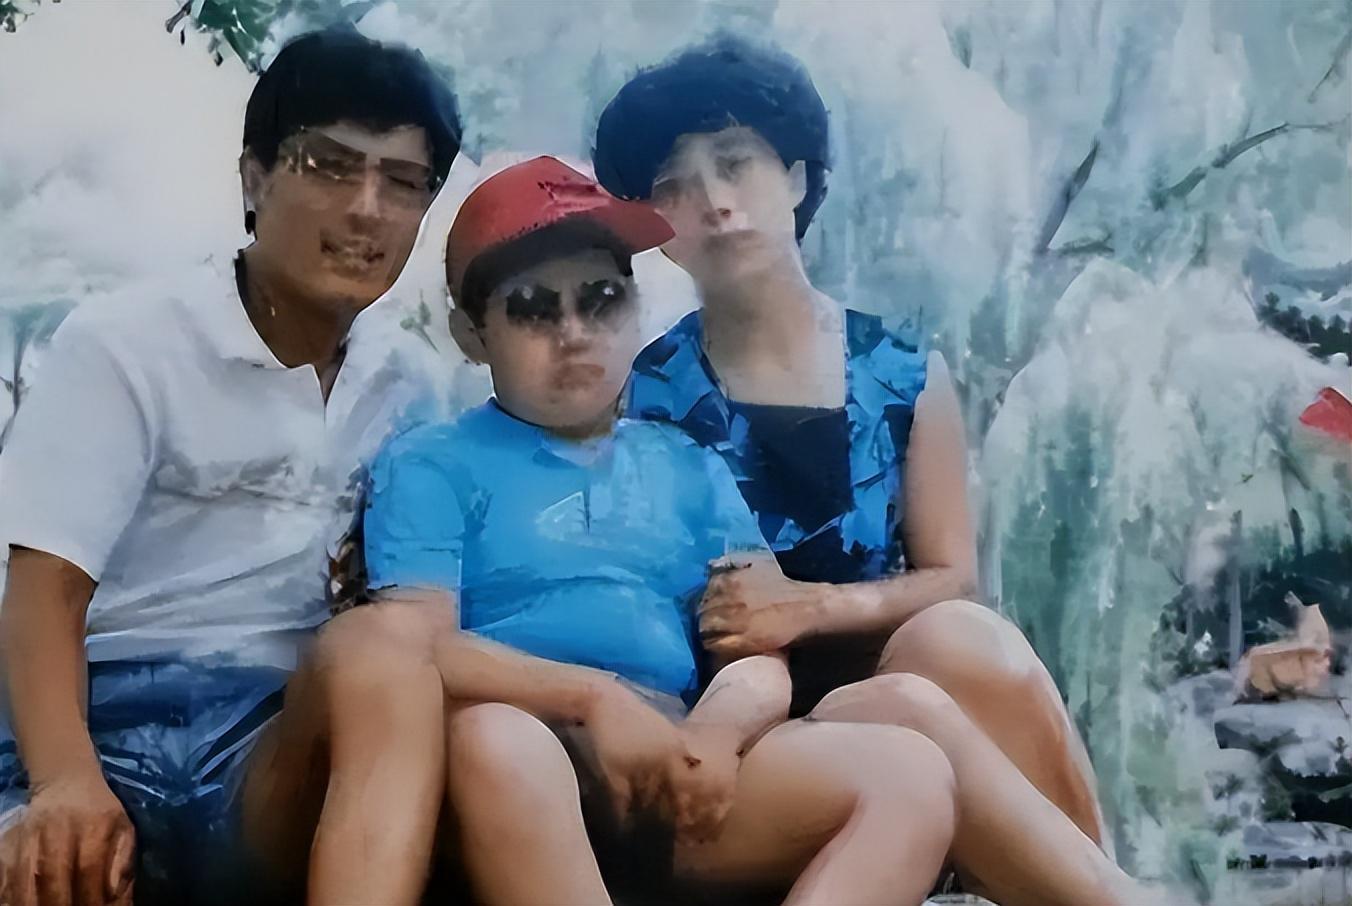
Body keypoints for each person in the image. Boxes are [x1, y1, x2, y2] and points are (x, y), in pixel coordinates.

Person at [366, 156, 1143, 906]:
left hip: (670, 747)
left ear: (634, 308)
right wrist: (592, 699)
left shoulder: (686, 465)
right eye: (533, 307)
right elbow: (416, 645)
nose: (573, 331)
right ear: (472, 333)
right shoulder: (433, 462)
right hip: (523, 743)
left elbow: (753, 647)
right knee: (497, 740)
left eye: (600, 299)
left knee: (909, 773)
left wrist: (715, 733)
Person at [594, 34, 1110, 889]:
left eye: (736, 165)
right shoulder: (641, 396)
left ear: (797, 178)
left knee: (961, 638)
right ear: (655, 227)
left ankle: (1102, 878)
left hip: (893, 684)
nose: (714, 203)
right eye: (674, 186)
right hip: (734, 724)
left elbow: (952, 576)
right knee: (907, 704)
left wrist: (809, 608)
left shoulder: (901, 372)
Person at [0, 27, 468, 905]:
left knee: (383, 654)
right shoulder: (127, 343)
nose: (367, 209)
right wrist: (64, 781)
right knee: (45, 867)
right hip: (99, 716)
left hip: (273, 743)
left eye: (403, 182)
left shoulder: (411, 387)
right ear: (255, 177)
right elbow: (44, 587)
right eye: (330, 166)